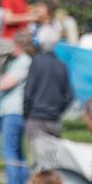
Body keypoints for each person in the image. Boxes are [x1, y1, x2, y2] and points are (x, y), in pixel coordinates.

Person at [22, 26, 74, 155]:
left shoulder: (36, 63)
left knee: (37, 159)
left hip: (36, 118)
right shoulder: (62, 66)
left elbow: (28, 93)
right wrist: (58, 110)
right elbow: (69, 95)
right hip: (54, 119)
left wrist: (27, 112)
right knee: (53, 159)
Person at [0, 33, 34, 184]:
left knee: (9, 150)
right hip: (18, 110)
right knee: (17, 151)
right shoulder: (24, 61)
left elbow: (3, 84)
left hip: (14, 110)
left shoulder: (23, 62)